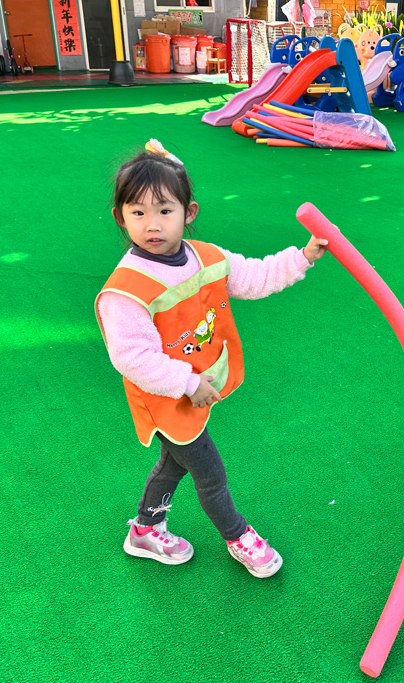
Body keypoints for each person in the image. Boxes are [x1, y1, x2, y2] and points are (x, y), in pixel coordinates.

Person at [96, 139, 328, 579]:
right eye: (138, 212)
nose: (152, 224)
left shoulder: (206, 256)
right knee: (209, 473)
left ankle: (144, 529)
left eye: (165, 210)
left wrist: (300, 258)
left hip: (192, 389)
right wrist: (187, 383)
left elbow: (254, 275)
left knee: (172, 464)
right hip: (167, 396)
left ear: (189, 212)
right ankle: (238, 536)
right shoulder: (126, 289)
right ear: (120, 218)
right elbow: (132, 356)